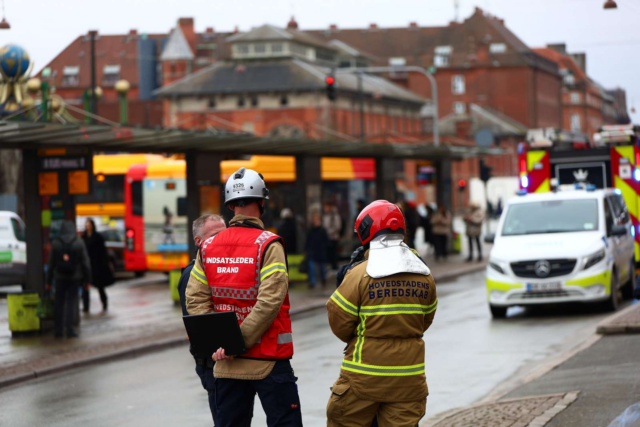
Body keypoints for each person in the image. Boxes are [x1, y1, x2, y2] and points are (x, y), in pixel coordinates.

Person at [186, 167, 302, 427]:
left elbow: (195, 300)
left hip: (226, 365)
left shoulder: (207, 247)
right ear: (262, 202)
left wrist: (222, 344)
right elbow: (270, 302)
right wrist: (238, 342)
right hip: (269, 360)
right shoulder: (269, 244)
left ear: (230, 205)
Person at [326, 200, 438, 427]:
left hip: (362, 379)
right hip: (409, 379)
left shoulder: (358, 274)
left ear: (367, 232)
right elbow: (425, 320)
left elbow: (339, 322)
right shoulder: (424, 274)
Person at [178, 214, 226, 425]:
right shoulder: (192, 275)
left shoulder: (222, 266)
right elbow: (200, 325)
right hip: (213, 364)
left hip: (228, 360)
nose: (223, 239)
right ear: (199, 241)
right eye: (216, 235)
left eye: (226, 233)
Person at [46, 220, 91, 338]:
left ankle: (58, 330)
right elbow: (86, 263)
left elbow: (51, 264)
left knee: (59, 303)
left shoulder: (56, 243)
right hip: (74, 277)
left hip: (59, 277)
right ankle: (69, 329)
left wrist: (48, 282)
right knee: (71, 302)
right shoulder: (79, 243)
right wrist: (87, 280)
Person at [81, 219, 114, 312]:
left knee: (100, 286)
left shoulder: (98, 237)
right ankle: (86, 306)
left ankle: (104, 301)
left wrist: (106, 263)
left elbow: (103, 252)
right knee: (85, 286)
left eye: (89, 224)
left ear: (92, 225)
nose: (87, 226)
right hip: (87, 264)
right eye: (86, 224)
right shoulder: (83, 237)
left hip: (97, 264)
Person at [305, 212, 329, 287]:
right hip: (313, 250)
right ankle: (312, 282)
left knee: (322, 267)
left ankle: (323, 279)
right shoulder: (311, 230)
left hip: (320, 250)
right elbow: (307, 240)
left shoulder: (322, 230)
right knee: (312, 267)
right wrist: (306, 249)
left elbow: (326, 240)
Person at [323, 202, 342, 271]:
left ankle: (334, 267)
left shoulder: (335, 216)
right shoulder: (325, 216)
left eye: (326, 207)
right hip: (326, 238)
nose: (325, 209)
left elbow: (338, 226)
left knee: (333, 253)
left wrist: (329, 232)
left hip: (333, 237)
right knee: (328, 253)